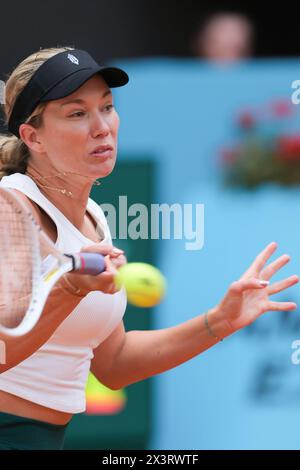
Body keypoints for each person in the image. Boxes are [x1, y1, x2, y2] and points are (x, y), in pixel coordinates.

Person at [0, 46, 298, 450]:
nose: (102, 127)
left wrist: (220, 321)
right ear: (33, 136)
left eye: (106, 107)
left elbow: (114, 364)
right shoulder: (11, 208)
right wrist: (69, 289)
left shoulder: (93, 217)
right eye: (77, 113)